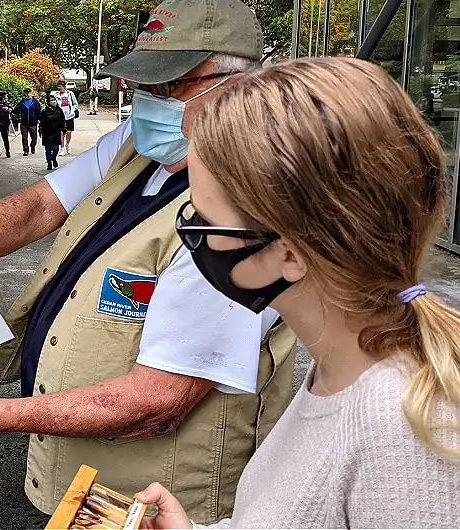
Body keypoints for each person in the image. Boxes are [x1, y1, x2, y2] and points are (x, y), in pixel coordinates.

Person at [0, 0, 296, 524]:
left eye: (170, 85)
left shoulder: (243, 220)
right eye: (143, 84)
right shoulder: (145, 145)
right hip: (89, 480)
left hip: (160, 503)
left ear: (243, 86)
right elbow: (42, 203)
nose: (148, 101)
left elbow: (156, 401)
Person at [137, 57, 460, 529]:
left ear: (289, 254)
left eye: (204, 216)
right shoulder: (342, 369)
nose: (189, 230)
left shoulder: (407, 434)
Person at [12, 87, 42, 156]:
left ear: (31, 93)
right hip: (24, 123)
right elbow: (16, 109)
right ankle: (26, 150)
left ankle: (32, 146)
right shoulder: (22, 102)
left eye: (28, 93)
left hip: (33, 123)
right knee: (24, 138)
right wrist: (11, 109)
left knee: (34, 138)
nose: (27, 95)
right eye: (26, 93)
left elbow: (39, 112)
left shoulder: (35, 102)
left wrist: (40, 120)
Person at [40, 93, 66, 171]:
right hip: (47, 133)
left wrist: (64, 129)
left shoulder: (59, 110)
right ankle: (49, 163)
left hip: (56, 132)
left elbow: (63, 120)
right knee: (48, 149)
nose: (53, 101)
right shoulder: (45, 111)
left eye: (54, 100)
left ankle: (53, 159)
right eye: (51, 100)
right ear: (48, 102)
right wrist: (40, 130)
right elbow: (41, 122)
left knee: (56, 149)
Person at [54, 81, 79, 155]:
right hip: (60, 117)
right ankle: (61, 149)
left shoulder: (70, 94)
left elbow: (75, 104)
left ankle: (67, 144)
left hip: (69, 116)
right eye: (58, 86)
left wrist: (73, 111)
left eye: (60, 86)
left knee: (68, 132)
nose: (59, 88)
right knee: (61, 133)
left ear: (64, 87)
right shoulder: (56, 95)